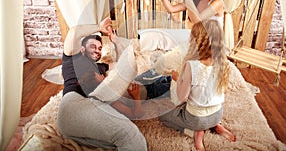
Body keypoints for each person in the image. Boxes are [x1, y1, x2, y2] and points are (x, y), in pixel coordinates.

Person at [57, 17, 147, 151]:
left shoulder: (100, 68)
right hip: (74, 103)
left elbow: (123, 65)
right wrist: (99, 27)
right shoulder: (73, 59)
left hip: (90, 109)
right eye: (92, 46)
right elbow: (73, 32)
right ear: (82, 48)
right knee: (130, 135)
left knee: (115, 141)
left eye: (100, 48)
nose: (97, 50)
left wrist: (116, 42)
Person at [159, 20, 235, 151]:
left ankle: (195, 132)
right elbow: (223, 90)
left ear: (197, 42)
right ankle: (216, 125)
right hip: (217, 113)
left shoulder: (192, 65)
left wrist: (178, 79)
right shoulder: (225, 64)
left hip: (196, 119)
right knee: (204, 106)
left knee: (163, 116)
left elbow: (182, 97)